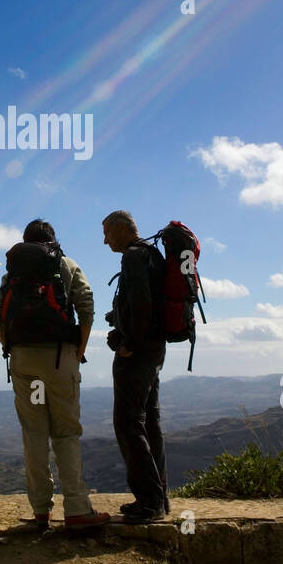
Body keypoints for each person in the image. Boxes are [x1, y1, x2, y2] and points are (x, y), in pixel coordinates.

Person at [0, 219, 109, 530]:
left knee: (34, 434)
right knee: (66, 433)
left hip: (25, 363)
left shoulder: (13, 273)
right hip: (59, 360)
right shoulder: (66, 264)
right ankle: (77, 509)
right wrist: (79, 350)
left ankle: (41, 511)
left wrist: (11, 346)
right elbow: (86, 305)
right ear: (53, 240)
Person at [102, 209, 170, 524]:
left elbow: (142, 302)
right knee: (149, 422)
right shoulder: (152, 254)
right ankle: (157, 498)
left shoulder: (133, 256)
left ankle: (149, 501)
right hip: (156, 349)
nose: (105, 241)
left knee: (128, 422)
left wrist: (129, 342)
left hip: (139, 353)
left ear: (123, 229)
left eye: (107, 233)